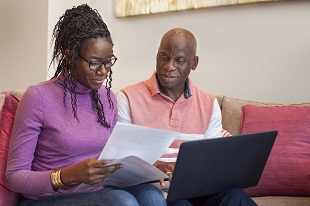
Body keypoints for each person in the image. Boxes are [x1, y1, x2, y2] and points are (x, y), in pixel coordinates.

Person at [5, 4, 167, 206]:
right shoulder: (38, 97)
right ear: (69, 55)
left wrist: (147, 167)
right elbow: (14, 177)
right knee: (121, 201)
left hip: (98, 195)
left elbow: (114, 159)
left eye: (108, 61)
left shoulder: (106, 98)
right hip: (47, 199)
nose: (103, 71)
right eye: (93, 62)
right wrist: (68, 176)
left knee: (152, 196)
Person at [117, 28, 257, 206]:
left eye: (180, 60)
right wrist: (153, 166)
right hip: (155, 192)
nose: (169, 66)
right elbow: (121, 159)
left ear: (194, 63)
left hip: (199, 189)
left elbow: (213, 159)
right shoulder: (128, 97)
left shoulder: (208, 103)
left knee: (235, 195)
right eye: (164, 57)